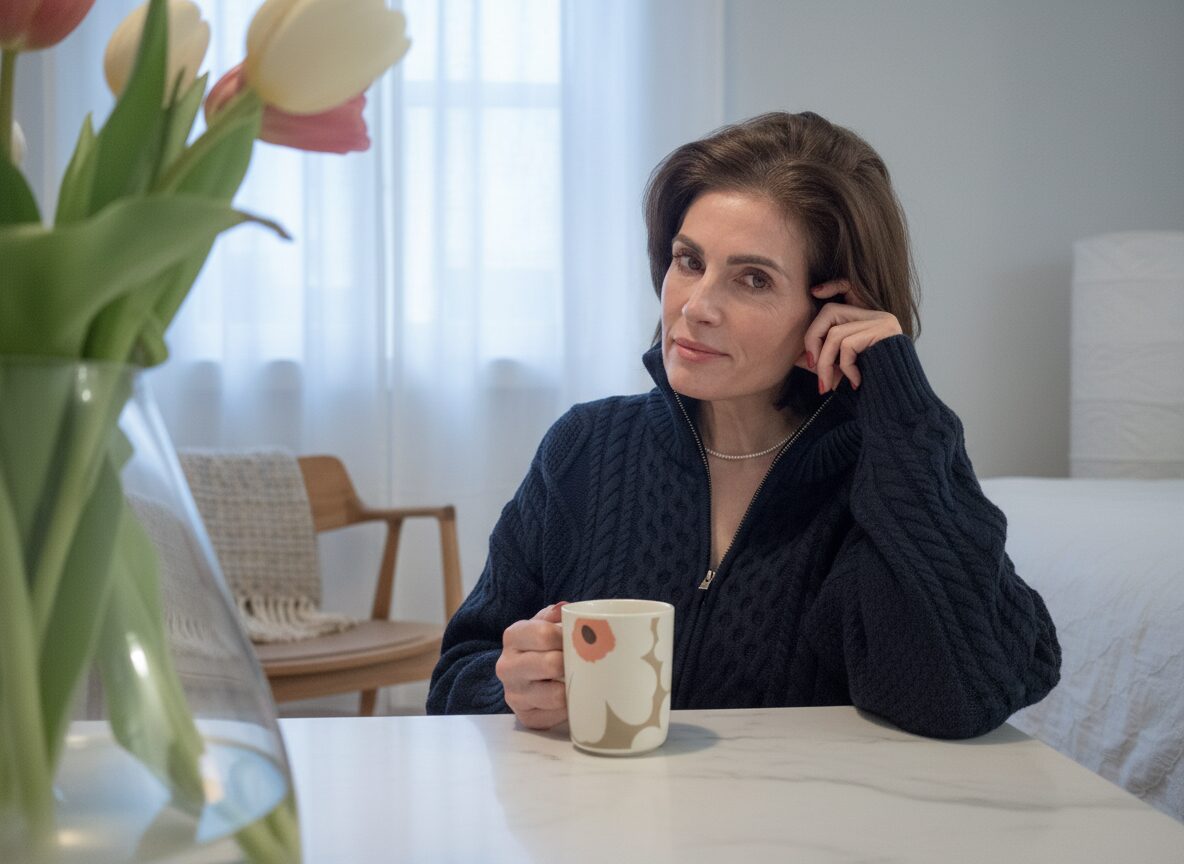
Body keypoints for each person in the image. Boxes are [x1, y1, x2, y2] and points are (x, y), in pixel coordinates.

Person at [426, 111, 1060, 739]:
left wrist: (902, 406)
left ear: (837, 308)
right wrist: (509, 686)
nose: (696, 307)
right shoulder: (585, 447)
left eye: (753, 279)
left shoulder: (884, 475)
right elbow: (457, 676)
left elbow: (968, 695)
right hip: (602, 833)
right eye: (688, 260)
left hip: (802, 838)